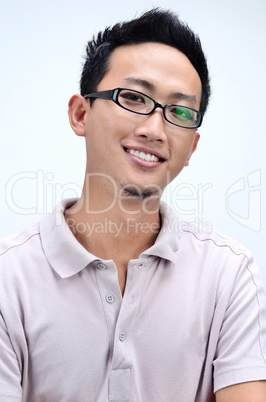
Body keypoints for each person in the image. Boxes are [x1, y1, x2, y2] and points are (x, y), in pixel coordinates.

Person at [0, 8, 265, 402]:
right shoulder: (9, 279)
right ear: (80, 113)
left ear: (191, 147)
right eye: (135, 98)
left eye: (179, 112)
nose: (154, 129)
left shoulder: (229, 276)